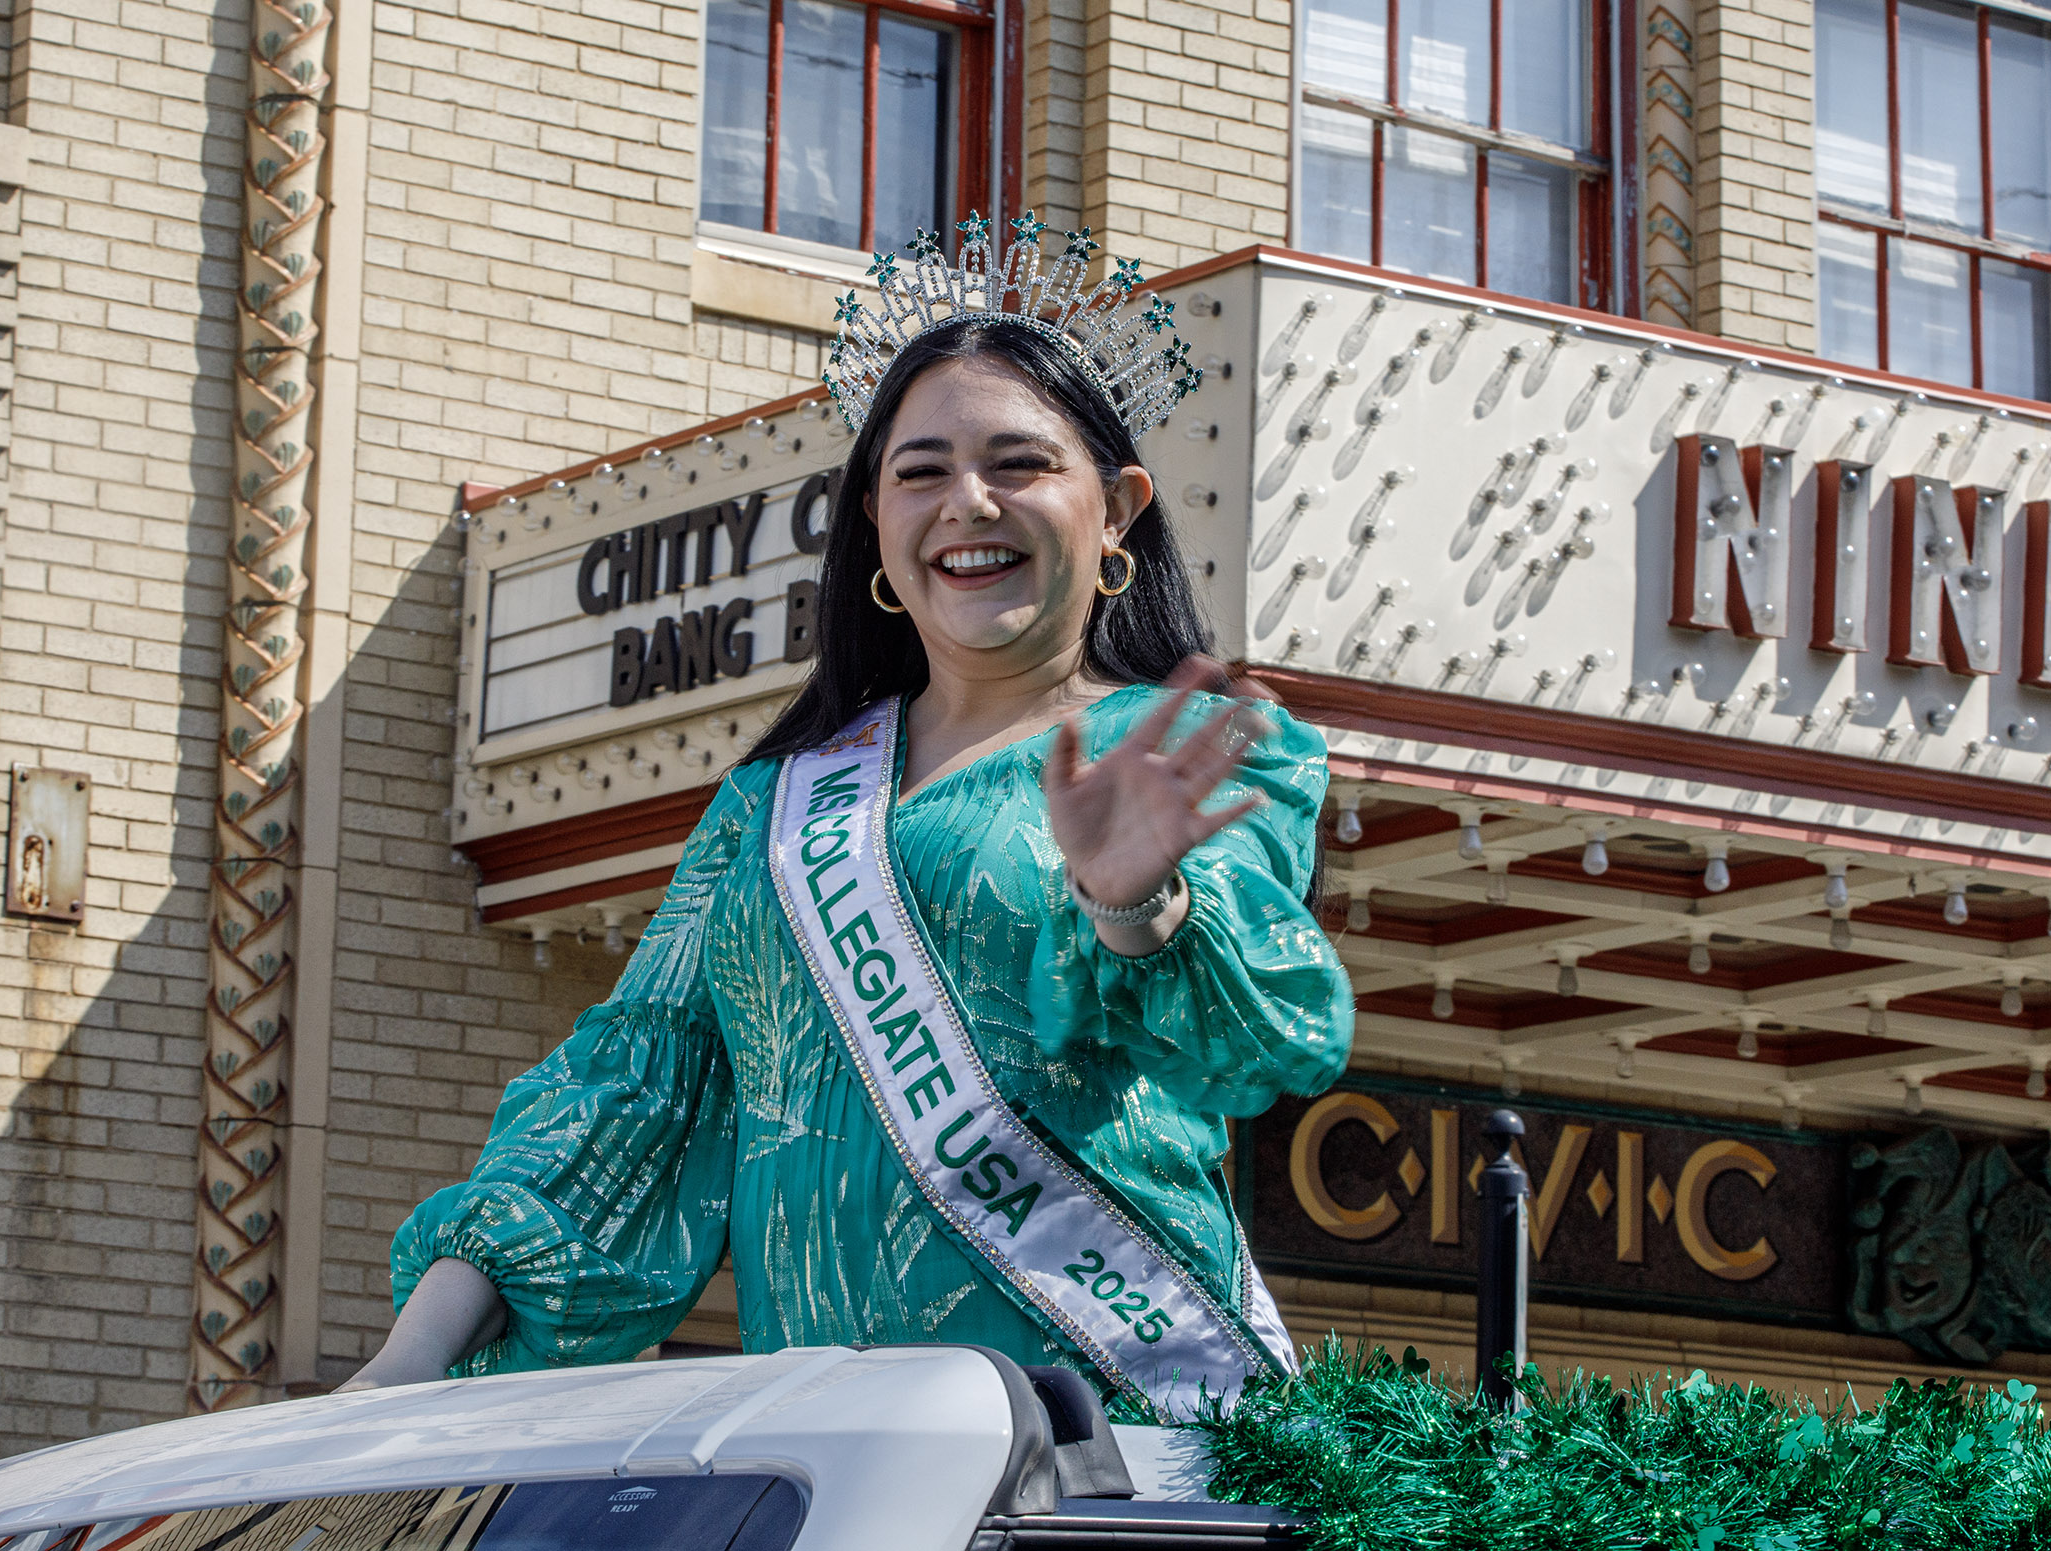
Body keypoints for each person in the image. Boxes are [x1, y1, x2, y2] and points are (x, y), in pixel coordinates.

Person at [348, 217, 1354, 1407]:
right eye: (921, 473)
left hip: (1113, 1417)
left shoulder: (1187, 751)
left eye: (1020, 465)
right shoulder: (772, 809)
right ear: (873, 522)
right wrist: (407, 1362)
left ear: (1118, 508)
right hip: (834, 1434)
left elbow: (1260, 1040)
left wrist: (1139, 899)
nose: (968, 504)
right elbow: (634, 1089)